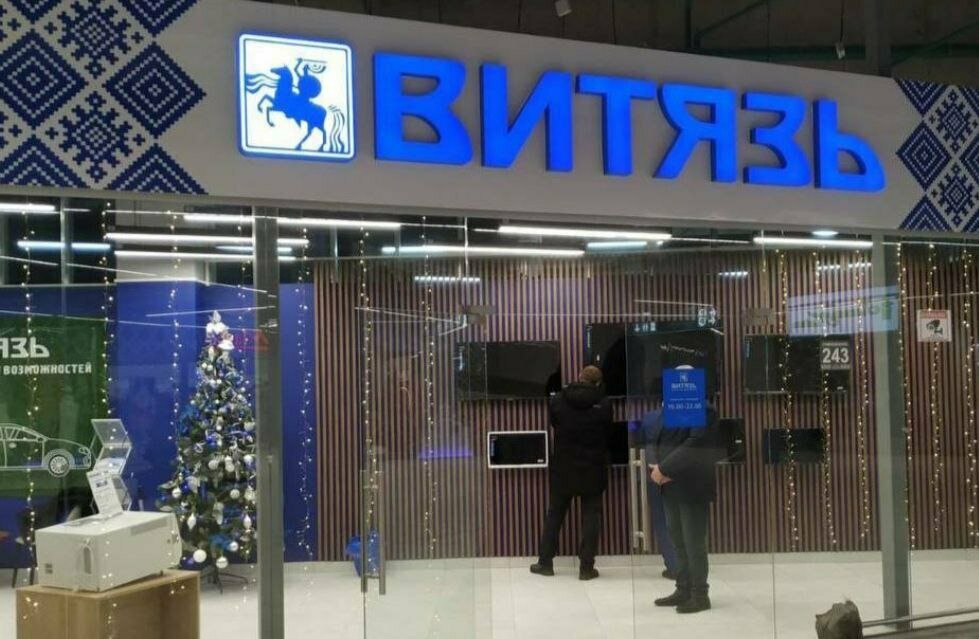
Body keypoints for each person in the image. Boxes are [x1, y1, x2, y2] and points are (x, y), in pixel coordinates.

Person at [531, 365, 612, 581]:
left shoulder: (558, 400)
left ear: (579, 377)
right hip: (593, 468)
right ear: (598, 383)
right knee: (591, 518)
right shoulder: (604, 403)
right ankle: (586, 568)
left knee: (555, 515)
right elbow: (607, 430)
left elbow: (555, 423)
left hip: (564, 467)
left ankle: (545, 563)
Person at [647, 402, 720, 614]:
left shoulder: (704, 409)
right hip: (670, 485)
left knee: (693, 542)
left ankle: (700, 595)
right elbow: (661, 440)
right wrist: (659, 467)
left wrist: (664, 468)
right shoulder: (673, 409)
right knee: (678, 540)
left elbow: (694, 446)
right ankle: (683, 588)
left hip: (692, 486)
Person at [640, 409, 679, 581]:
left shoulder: (651, 418)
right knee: (687, 521)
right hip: (683, 475)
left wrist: (658, 468)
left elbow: (645, 444)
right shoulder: (693, 415)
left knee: (662, 521)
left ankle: (673, 566)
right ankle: (688, 565)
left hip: (657, 475)